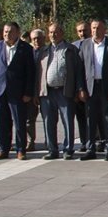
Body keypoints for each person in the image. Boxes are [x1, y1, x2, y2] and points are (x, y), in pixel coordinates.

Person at [0, 22, 35, 160]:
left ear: (18, 33)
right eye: (5, 31)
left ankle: (21, 150)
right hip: (0, 90)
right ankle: (3, 149)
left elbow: (30, 72)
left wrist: (28, 92)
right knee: (2, 121)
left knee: (19, 122)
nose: (7, 34)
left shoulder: (25, 48)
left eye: (10, 31)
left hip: (18, 92)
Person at [37, 22, 83, 160]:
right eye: (50, 32)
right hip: (47, 92)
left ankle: (68, 149)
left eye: (56, 32)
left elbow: (78, 71)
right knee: (48, 121)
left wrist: (78, 90)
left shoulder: (71, 50)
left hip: (65, 91)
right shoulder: (44, 51)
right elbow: (38, 73)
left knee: (68, 121)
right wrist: (36, 93)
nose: (53, 35)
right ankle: (52, 150)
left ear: (62, 33)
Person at [79, 18, 108, 161]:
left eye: (98, 28)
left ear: (105, 30)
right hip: (90, 87)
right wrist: (81, 88)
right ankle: (90, 147)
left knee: (107, 118)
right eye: (93, 28)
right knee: (90, 118)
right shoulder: (84, 45)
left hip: (106, 87)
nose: (95, 30)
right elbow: (80, 69)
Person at [23, 28, 46, 152]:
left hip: (45, 90)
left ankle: (49, 141)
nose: (36, 40)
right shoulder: (28, 52)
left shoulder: (48, 51)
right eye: (34, 38)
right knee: (29, 119)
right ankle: (30, 142)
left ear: (44, 38)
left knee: (48, 118)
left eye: (39, 38)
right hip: (31, 91)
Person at [72, 20, 91, 151]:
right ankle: (85, 142)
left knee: (96, 117)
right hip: (78, 88)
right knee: (81, 118)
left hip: (93, 87)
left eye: (84, 30)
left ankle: (99, 142)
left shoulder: (94, 45)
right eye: (79, 31)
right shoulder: (73, 47)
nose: (82, 33)